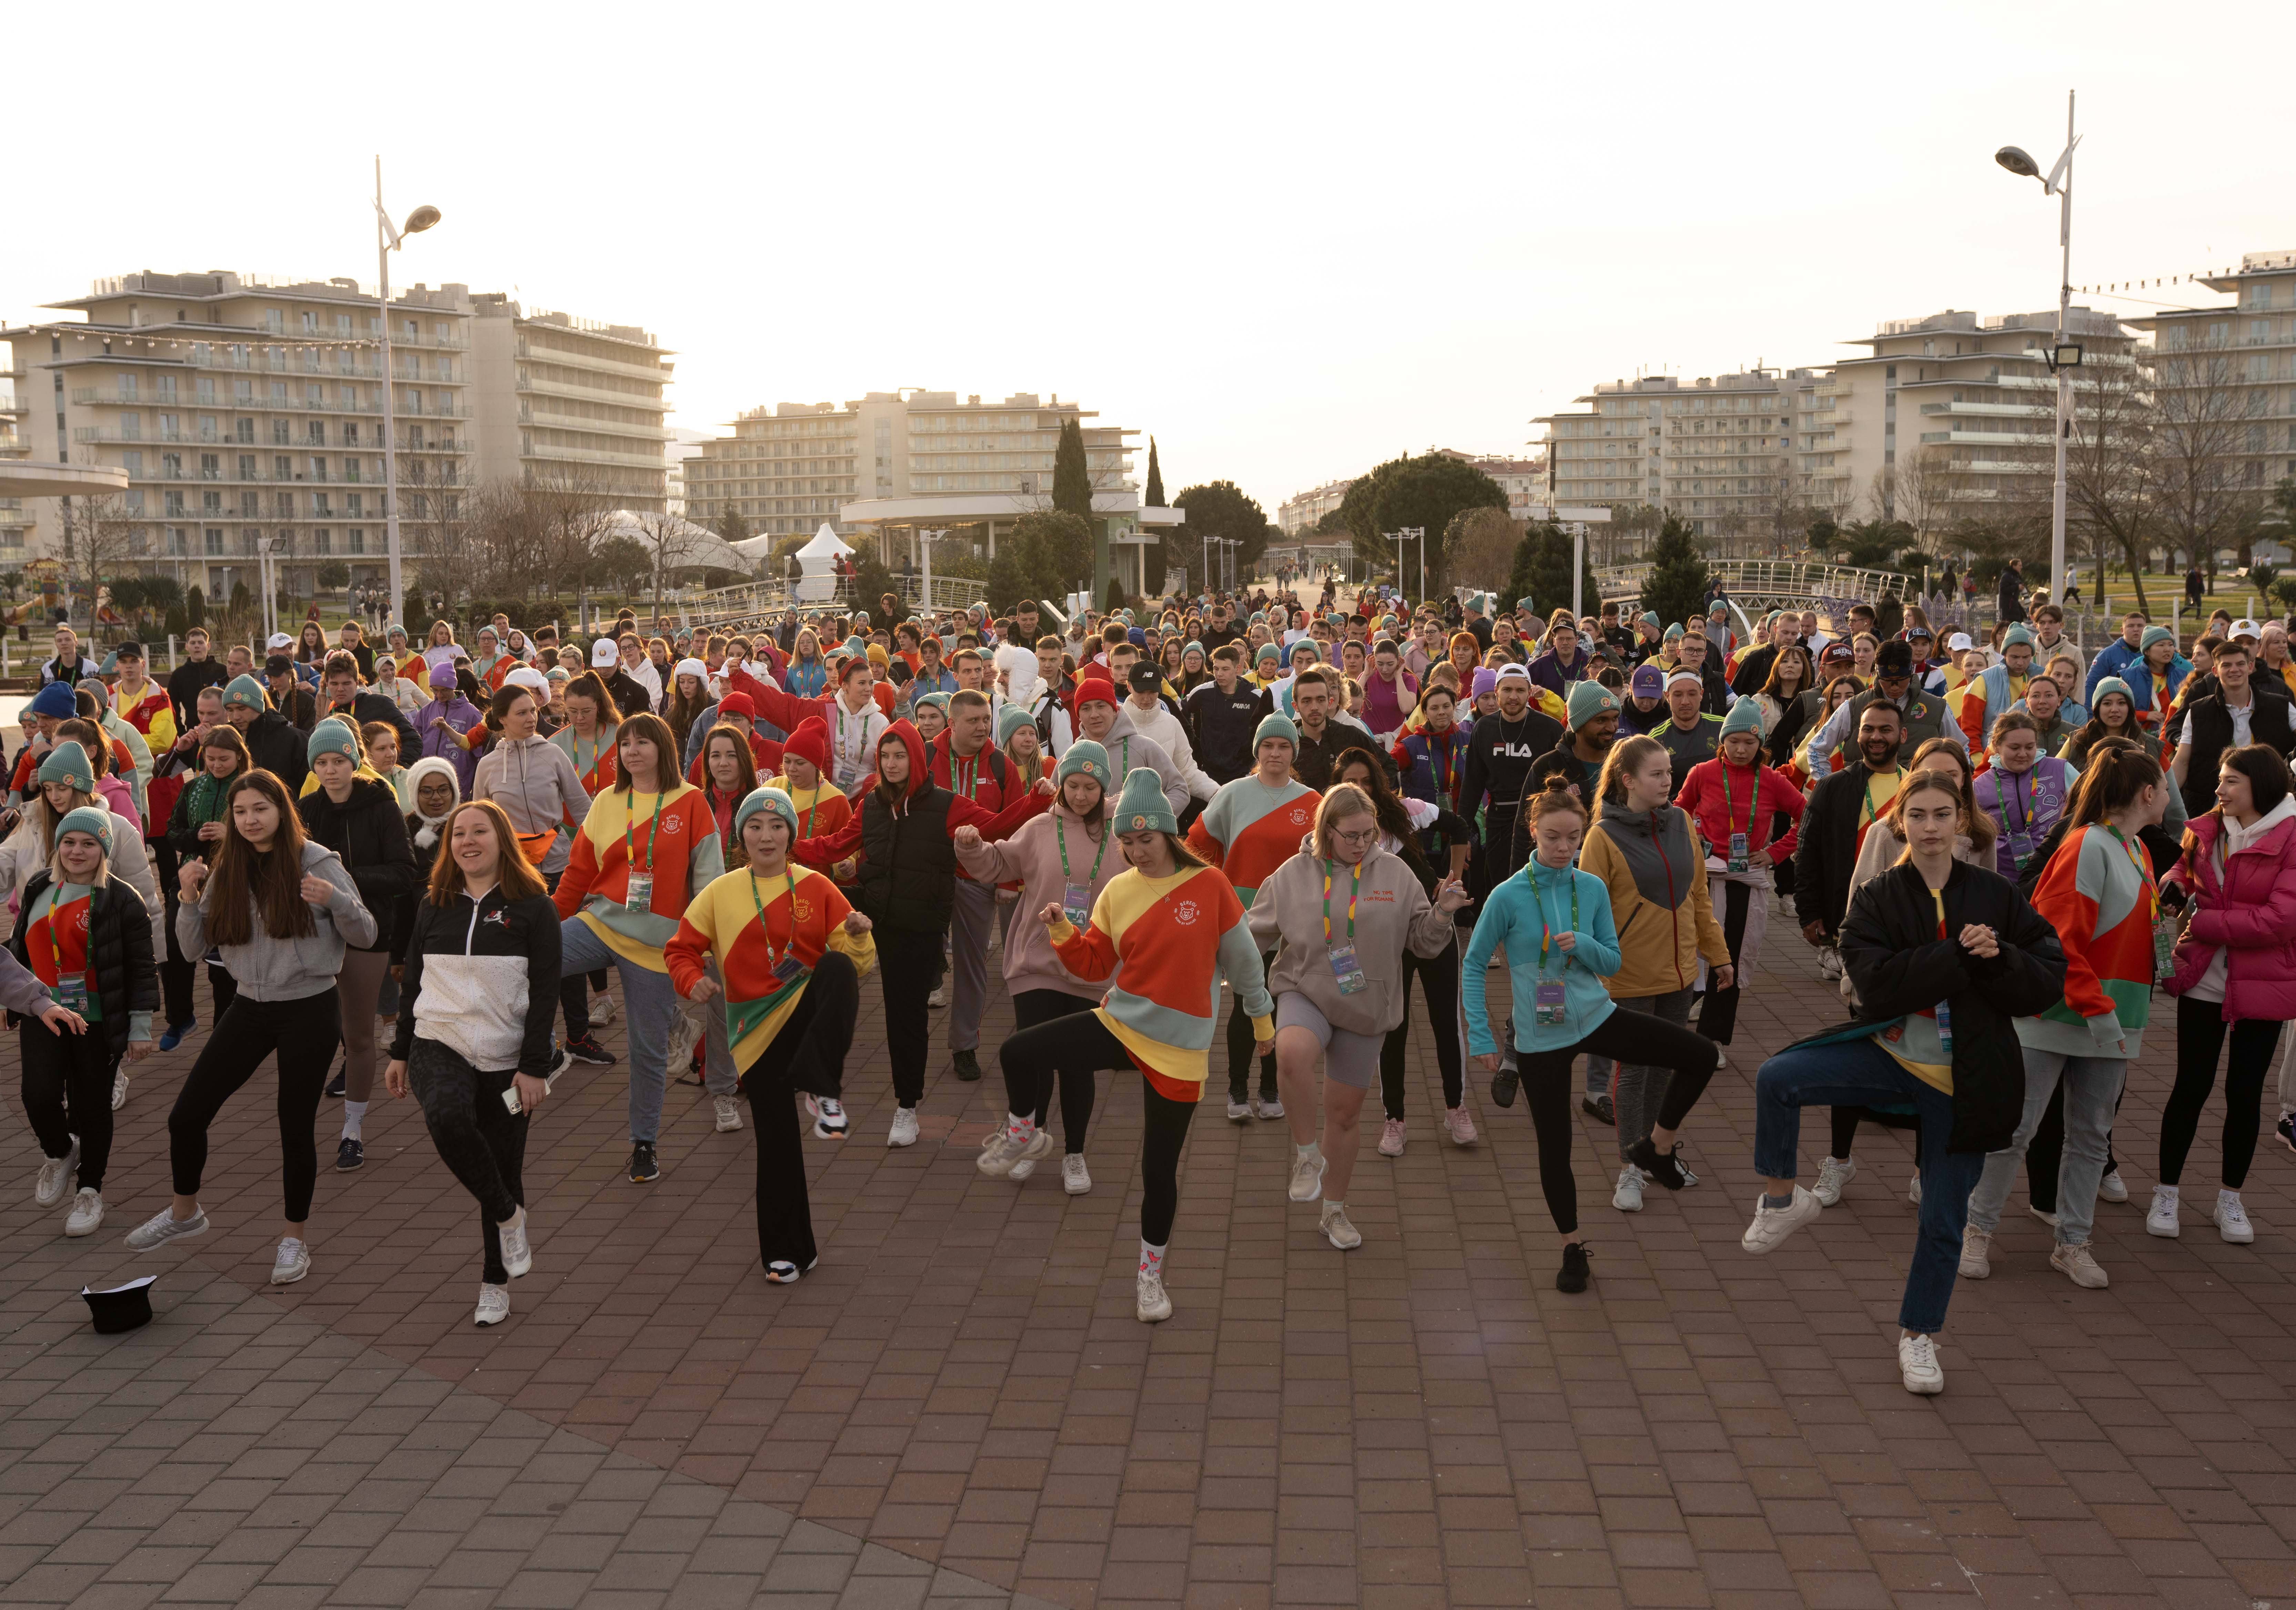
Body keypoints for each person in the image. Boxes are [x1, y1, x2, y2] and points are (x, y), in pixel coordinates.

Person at [1739, 767, 2065, 1396]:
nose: (1930, 827)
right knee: (1778, 1075)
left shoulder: (1995, 895)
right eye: (1917, 815)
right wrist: (1955, 958)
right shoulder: (1880, 895)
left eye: (1943, 814)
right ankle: (1784, 1199)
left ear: (1962, 820)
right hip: (1890, 1061)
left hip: (1964, 1083)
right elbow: (1874, 982)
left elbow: (2047, 979)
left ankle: (1919, 1337)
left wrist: (2000, 957)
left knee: (1943, 1221)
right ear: (1900, 822)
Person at [992, 768, 1273, 1322]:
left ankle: (1151, 1279)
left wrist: (1262, 1023)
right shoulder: (1118, 891)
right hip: (1122, 1025)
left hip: (1181, 1048)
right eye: (1127, 841)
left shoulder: (1209, 885)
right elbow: (1095, 964)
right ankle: (1025, 1133)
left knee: (1157, 1172)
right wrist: (1062, 933)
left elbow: (1244, 966)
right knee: (1017, 1051)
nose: (1137, 851)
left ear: (1169, 834)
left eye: (1146, 839)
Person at [1464, 787, 1721, 1293]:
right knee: (1555, 1149)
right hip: (1540, 1039)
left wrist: (1583, 945)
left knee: (1701, 1054)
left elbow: (1611, 961)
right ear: (1533, 832)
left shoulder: (1592, 888)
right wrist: (1480, 1033)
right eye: (1553, 837)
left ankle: (1656, 1147)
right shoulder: (1508, 895)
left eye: (1574, 838)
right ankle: (1571, 1248)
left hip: (1597, 1015)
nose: (1564, 847)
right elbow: (1473, 964)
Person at [132, 770, 378, 1284]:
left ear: (281, 810)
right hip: (248, 1006)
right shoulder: (230, 866)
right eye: (241, 812)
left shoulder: (317, 860)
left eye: (260, 809)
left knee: (295, 1129)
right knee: (186, 1116)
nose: (249, 820)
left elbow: (367, 931)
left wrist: (335, 899)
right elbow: (194, 951)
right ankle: (185, 1213)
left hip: (309, 1008)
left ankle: (295, 1240)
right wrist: (187, 898)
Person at [1959, 746, 2168, 1292]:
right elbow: (2056, 942)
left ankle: (2073, 1242)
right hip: (2058, 1012)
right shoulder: (2087, 846)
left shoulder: (2136, 849)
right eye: (2163, 787)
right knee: (2016, 1130)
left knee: (2091, 1138)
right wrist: (2097, 1008)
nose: (2168, 796)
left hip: (2113, 1017)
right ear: (2147, 794)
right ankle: (1974, 1229)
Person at [789, 720, 1052, 1146]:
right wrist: (786, 844)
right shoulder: (872, 804)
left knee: (905, 1017)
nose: (892, 764)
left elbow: (998, 826)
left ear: (915, 758)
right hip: (874, 905)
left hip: (919, 922)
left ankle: (906, 1107)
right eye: (885, 756)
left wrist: (1038, 801)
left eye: (900, 756)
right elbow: (837, 845)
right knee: (819, 942)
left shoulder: (947, 805)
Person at [667, 788, 874, 1282]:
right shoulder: (719, 893)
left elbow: (857, 961)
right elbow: (680, 950)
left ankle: (824, 1091)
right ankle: (788, 1251)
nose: (767, 835)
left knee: (837, 967)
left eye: (777, 825)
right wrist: (693, 980)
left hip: (802, 1017)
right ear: (742, 835)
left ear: (791, 834)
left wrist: (861, 934)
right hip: (753, 1033)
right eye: (756, 826)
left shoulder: (818, 887)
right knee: (777, 1145)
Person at [1248, 783, 1468, 1248]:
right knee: (1291, 1052)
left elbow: (1424, 944)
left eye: (1369, 834)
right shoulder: (1290, 875)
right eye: (1351, 835)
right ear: (1326, 830)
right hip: (1305, 989)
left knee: (1345, 1117)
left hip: (1368, 1002)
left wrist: (1443, 915)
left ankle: (1334, 1212)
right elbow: (1251, 939)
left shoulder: (1396, 873)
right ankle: (1307, 1154)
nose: (1361, 844)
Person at [383, 798, 561, 1326]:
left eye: (479, 831)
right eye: (459, 834)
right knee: (448, 1119)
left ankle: (494, 1283)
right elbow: (413, 980)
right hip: (440, 1039)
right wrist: (400, 1050)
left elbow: (546, 991)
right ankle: (510, 1216)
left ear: (501, 839)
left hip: (508, 1057)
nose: (467, 841)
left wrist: (534, 1067)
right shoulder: (433, 902)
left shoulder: (533, 905)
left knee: (503, 1166)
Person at [549, 713, 730, 1183]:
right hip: (601, 922)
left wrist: (702, 947)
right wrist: (546, 923)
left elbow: (710, 878)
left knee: (647, 1052)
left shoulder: (691, 802)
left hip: (659, 946)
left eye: (642, 743)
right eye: (625, 744)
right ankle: (542, 1052)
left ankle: (644, 1143)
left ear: (662, 750)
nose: (631, 751)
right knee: (535, 958)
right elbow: (577, 874)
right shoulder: (607, 802)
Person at [1578, 734, 1733, 1211]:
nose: (1668, 781)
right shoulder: (1601, 837)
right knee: (1633, 1075)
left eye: (1669, 772)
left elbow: (1698, 898)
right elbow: (1585, 913)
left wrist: (1718, 954)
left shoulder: (1681, 821)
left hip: (1680, 972)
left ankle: (1656, 1154)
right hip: (1627, 975)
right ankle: (1629, 1168)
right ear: (1627, 781)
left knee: (1668, 1069)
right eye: (1657, 774)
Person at [963, 742, 1125, 1189]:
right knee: (1033, 1055)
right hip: (1036, 961)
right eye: (1072, 785)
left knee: (1076, 1063)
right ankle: (1031, 1138)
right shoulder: (1038, 828)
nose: (1079, 795)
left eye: (1090, 787)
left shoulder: (1120, 833)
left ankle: (1075, 1154)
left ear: (1103, 787)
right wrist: (972, 848)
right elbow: (998, 864)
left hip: (1092, 966)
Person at [2157, 744, 2296, 1244]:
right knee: (2189, 1088)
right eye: (2220, 779)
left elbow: (2280, 922)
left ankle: (2229, 1200)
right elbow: (2184, 873)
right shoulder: (2205, 829)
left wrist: (2203, 920)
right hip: (2203, 980)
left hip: (2263, 986)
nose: (2219, 789)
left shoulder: (2292, 836)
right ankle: (2166, 1193)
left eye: (2230, 781)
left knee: (2244, 1094)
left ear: (2260, 785)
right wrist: (2173, 885)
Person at [11, 804, 158, 1239]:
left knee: (91, 1107)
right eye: (70, 842)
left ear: (104, 850)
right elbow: (20, 947)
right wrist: (12, 999)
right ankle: (60, 1151)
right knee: (37, 1095)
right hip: (44, 1012)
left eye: (89, 844)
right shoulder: (40, 885)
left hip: (98, 1020)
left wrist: (140, 1027)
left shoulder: (121, 899)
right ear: (58, 847)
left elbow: (143, 968)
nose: (77, 851)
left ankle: (90, 1190)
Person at [1186, 715, 1321, 1121]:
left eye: (1283, 747)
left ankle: (1270, 1089)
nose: (1275, 753)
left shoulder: (1314, 801)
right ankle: (1237, 1090)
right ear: (1257, 751)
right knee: (1249, 1003)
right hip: (1244, 921)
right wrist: (1207, 895)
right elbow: (1195, 846)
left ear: (1293, 752)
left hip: (1295, 921)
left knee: (1283, 1006)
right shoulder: (1232, 794)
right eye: (1268, 746)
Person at [297, 720, 418, 1171]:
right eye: (322, 762)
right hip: (315, 932)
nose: (331, 770)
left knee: (360, 1035)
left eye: (339, 761)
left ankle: (353, 1131)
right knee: (314, 1033)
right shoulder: (305, 810)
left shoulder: (381, 802)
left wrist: (342, 879)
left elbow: (405, 873)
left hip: (371, 932)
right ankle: (302, 1127)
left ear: (354, 760)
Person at [1676, 703, 1805, 1055]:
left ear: (1759, 743)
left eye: (1749, 742)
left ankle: (1711, 1040)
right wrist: (1695, 841)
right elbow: (1678, 813)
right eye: (1733, 741)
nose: (1741, 749)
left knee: (1727, 958)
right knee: (1689, 949)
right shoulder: (1702, 773)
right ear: (1722, 742)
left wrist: (1775, 853)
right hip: (1703, 876)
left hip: (1745, 880)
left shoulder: (1774, 780)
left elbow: (1806, 818)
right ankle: (1682, 1022)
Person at [1797, 700, 1909, 984]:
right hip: (1853, 915)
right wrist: (1809, 913)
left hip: (1907, 912)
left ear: (1902, 735)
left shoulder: (1917, 786)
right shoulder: (1832, 787)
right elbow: (1807, 853)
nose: (1876, 737)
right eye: (1868, 729)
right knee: (1858, 995)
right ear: (1856, 735)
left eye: (1886, 730)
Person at [2170, 637, 2295, 820]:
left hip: (2269, 807)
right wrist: (2166, 801)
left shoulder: (2281, 706)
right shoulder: (2198, 712)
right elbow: (2182, 762)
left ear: (2250, 667)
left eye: (2240, 664)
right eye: (2227, 665)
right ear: (2215, 671)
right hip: (2210, 808)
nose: (2234, 670)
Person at [1973, 713, 2077, 881]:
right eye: (2015, 748)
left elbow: (2090, 807)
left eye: (2030, 747)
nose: (2023, 754)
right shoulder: (1979, 787)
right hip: (2002, 878)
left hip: (2055, 872)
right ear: (1996, 746)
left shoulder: (2061, 770)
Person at [1648, 672, 1724, 797]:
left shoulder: (1723, 728)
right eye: (1678, 695)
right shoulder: (1655, 739)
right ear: (1667, 696)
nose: (1685, 702)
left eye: (1692, 694)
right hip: (1674, 813)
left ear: (1701, 694)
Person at [2063, 678, 2142, 767]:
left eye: (2122, 703)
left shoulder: (2148, 743)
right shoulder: (2077, 740)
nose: (2115, 710)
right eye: (2107, 704)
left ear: (2130, 708)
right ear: (2097, 708)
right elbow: (2054, 772)